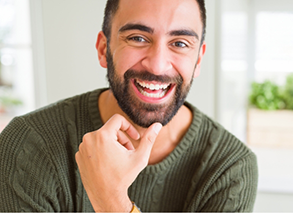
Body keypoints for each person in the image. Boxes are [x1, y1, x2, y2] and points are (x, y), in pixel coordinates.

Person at [0, 0, 258, 212]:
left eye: (179, 43)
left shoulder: (230, 168)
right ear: (103, 49)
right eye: (137, 38)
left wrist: (111, 200)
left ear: (198, 60)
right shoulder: (28, 143)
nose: (157, 65)